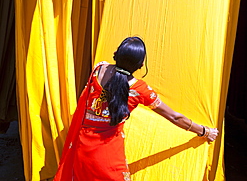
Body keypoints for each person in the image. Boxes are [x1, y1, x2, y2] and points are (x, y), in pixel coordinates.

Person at [53, 36, 219, 181]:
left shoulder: (98, 69)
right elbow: (175, 117)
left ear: (116, 54)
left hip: (82, 147)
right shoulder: (141, 90)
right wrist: (204, 131)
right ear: (140, 65)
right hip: (108, 154)